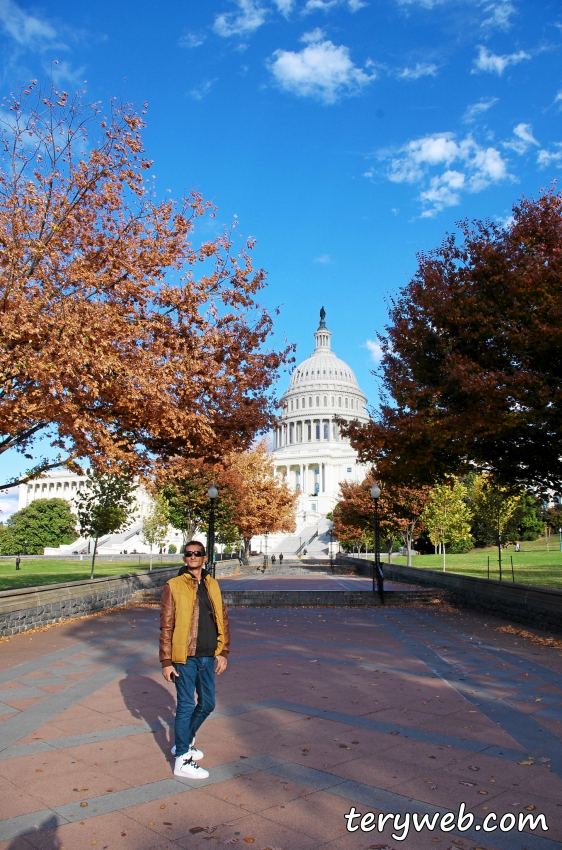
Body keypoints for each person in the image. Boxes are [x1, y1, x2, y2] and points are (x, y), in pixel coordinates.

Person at [160, 541, 230, 779]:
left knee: (207, 704)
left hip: (208, 655)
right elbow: (166, 625)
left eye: (197, 553)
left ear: (205, 557)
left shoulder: (213, 584)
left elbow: (223, 619)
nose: (193, 557)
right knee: (187, 705)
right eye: (189, 554)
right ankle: (182, 758)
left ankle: (184, 741)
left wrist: (223, 652)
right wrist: (166, 661)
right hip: (185, 657)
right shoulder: (174, 585)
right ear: (184, 558)